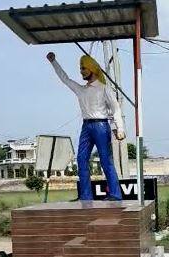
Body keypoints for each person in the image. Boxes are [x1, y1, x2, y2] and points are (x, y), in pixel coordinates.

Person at [47, 51, 125, 201]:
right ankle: (85, 196)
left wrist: (119, 128)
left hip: (101, 126)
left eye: (83, 68)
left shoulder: (104, 88)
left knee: (105, 160)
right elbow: (65, 79)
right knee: (81, 159)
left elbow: (116, 109)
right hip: (86, 126)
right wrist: (54, 62)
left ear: (92, 68)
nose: (81, 71)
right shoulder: (81, 89)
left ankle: (115, 194)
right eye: (80, 68)